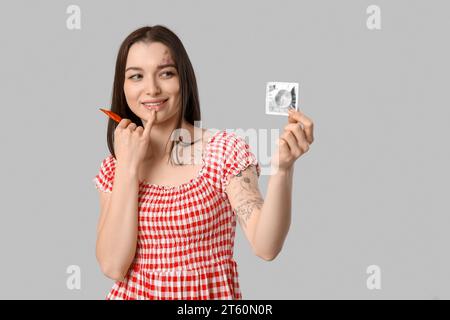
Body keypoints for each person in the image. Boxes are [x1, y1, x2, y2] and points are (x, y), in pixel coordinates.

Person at [93, 25, 314, 300]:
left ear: (183, 79)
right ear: (122, 86)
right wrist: (128, 167)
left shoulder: (224, 151)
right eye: (136, 76)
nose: (151, 88)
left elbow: (266, 246)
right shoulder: (115, 166)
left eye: (166, 73)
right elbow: (113, 266)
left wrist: (283, 168)